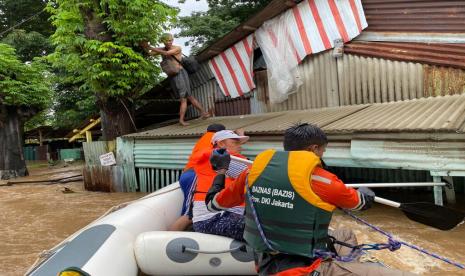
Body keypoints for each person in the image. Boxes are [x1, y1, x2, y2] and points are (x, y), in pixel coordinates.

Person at [206, 123, 414, 276]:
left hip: (266, 263)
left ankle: (349, 268)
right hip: (305, 269)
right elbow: (359, 203)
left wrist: (221, 171)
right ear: (314, 149)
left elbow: (212, 203)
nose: (322, 154)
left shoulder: (251, 173)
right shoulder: (322, 179)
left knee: (345, 233)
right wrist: (366, 194)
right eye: (322, 150)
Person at [191, 130, 250, 240]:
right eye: (235, 142)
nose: (240, 146)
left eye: (240, 143)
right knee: (261, 228)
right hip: (212, 219)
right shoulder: (225, 159)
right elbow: (256, 176)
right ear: (221, 144)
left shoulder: (217, 157)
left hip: (222, 214)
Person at [141, 33, 209, 126]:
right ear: (163, 41)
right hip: (173, 75)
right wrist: (144, 45)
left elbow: (166, 53)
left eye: (170, 40)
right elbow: (149, 53)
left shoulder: (177, 48)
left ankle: (181, 120)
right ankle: (204, 113)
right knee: (189, 96)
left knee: (183, 98)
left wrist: (150, 47)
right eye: (167, 40)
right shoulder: (162, 48)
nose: (169, 42)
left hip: (180, 74)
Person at [168, 123, 226, 231]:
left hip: (188, 174)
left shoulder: (203, 139)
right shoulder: (216, 140)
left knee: (190, 211)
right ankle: (167, 239)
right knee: (189, 214)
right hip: (195, 176)